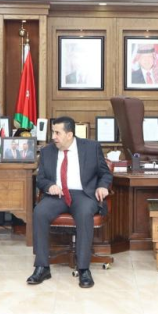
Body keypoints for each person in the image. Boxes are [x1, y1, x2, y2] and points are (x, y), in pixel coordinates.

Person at [27, 116, 112, 288]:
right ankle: (42, 267)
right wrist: (49, 185)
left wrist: (102, 186)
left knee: (84, 213)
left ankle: (83, 269)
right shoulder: (47, 151)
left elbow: (105, 173)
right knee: (39, 212)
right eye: (53, 132)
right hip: (57, 195)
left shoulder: (91, 147)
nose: (54, 137)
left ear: (69, 134)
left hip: (83, 194)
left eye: (57, 133)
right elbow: (40, 179)